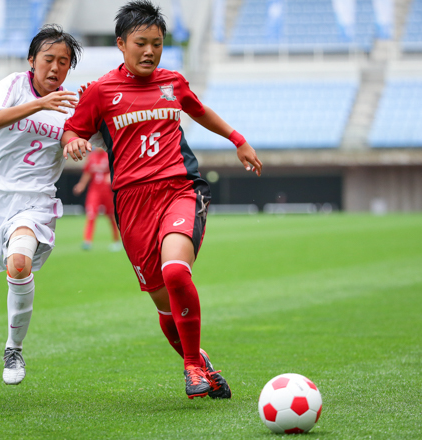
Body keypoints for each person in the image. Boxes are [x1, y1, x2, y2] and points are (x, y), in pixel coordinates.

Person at [61, 0, 262, 399]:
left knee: (175, 273)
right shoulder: (100, 91)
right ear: (121, 44)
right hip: (132, 204)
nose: (150, 51)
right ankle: (201, 363)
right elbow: (72, 129)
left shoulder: (173, 82)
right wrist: (75, 141)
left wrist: (237, 139)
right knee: (163, 304)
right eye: (141, 43)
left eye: (157, 43)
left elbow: (198, 109)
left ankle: (190, 368)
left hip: (179, 190)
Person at [0, 25, 82, 386]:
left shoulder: (71, 105)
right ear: (32, 60)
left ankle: (14, 348)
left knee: (19, 263)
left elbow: (86, 133)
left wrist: (77, 138)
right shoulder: (12, 86)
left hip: (34, 199)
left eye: (64, 62)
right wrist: (40, 104)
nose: (56, 68)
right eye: (49, 59)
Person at [72, 147, 122, 251]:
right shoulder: (92, 157)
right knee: (91, 214)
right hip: (94, 191)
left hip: (107, 192)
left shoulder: (109, 156)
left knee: (111, 216)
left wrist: (111, 176)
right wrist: (81, 185)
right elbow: (87, 173)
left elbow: (117, 170)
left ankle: (117, 241)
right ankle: (87, 241)